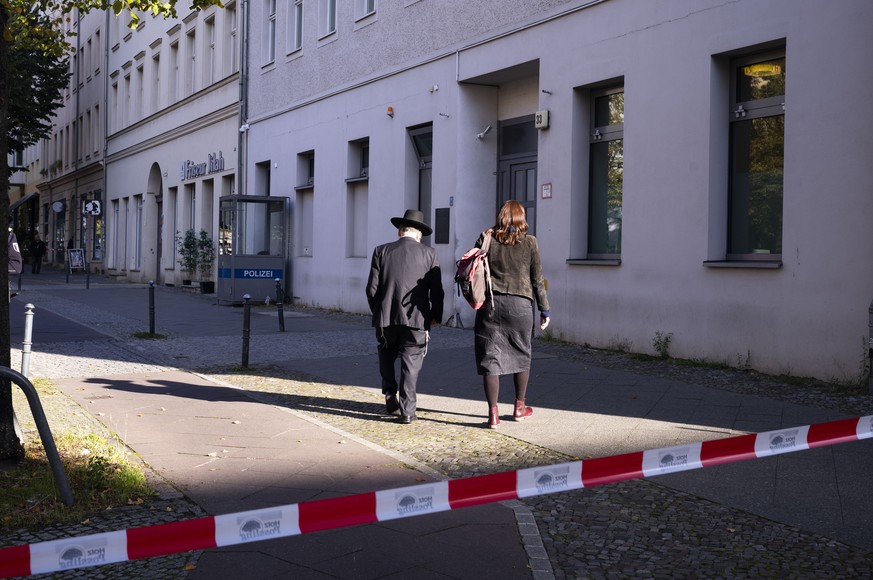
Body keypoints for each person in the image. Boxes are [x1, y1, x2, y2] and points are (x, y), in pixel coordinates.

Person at [473, 200, 550, 429]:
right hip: (521, 305)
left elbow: (473, 266)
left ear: (501, 217)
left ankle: (493, 415)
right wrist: (544, 309)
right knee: (521, 353)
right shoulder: (530, 243)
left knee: (490, 357)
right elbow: (537, 280)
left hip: (491, 303)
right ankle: (519, 407)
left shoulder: (487, 238)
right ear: (521, 218)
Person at [366, 209, 444, 424]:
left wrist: (379, 310)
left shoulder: (381, 251)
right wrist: (435, 316)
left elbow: (372, 289)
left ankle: (390, 392)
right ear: (418, 234)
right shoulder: (430, 254)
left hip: (386, 317)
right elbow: (436, 291)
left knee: (386, 354)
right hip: (417, 319)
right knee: (411, 363)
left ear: (400, 231)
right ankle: (407, 411)